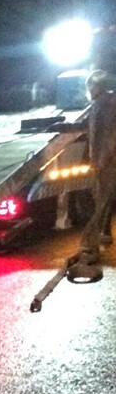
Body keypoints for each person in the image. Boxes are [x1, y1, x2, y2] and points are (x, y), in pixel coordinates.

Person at [74, 68, 116, 265]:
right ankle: (103, 234)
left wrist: (100, 162)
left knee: (100, 201)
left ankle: (88, 245)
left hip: (108, 163)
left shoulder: (106, 106)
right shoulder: (104, 104)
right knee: (104, 200)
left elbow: (109, 136)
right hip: (107, 162)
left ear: (94, 86)